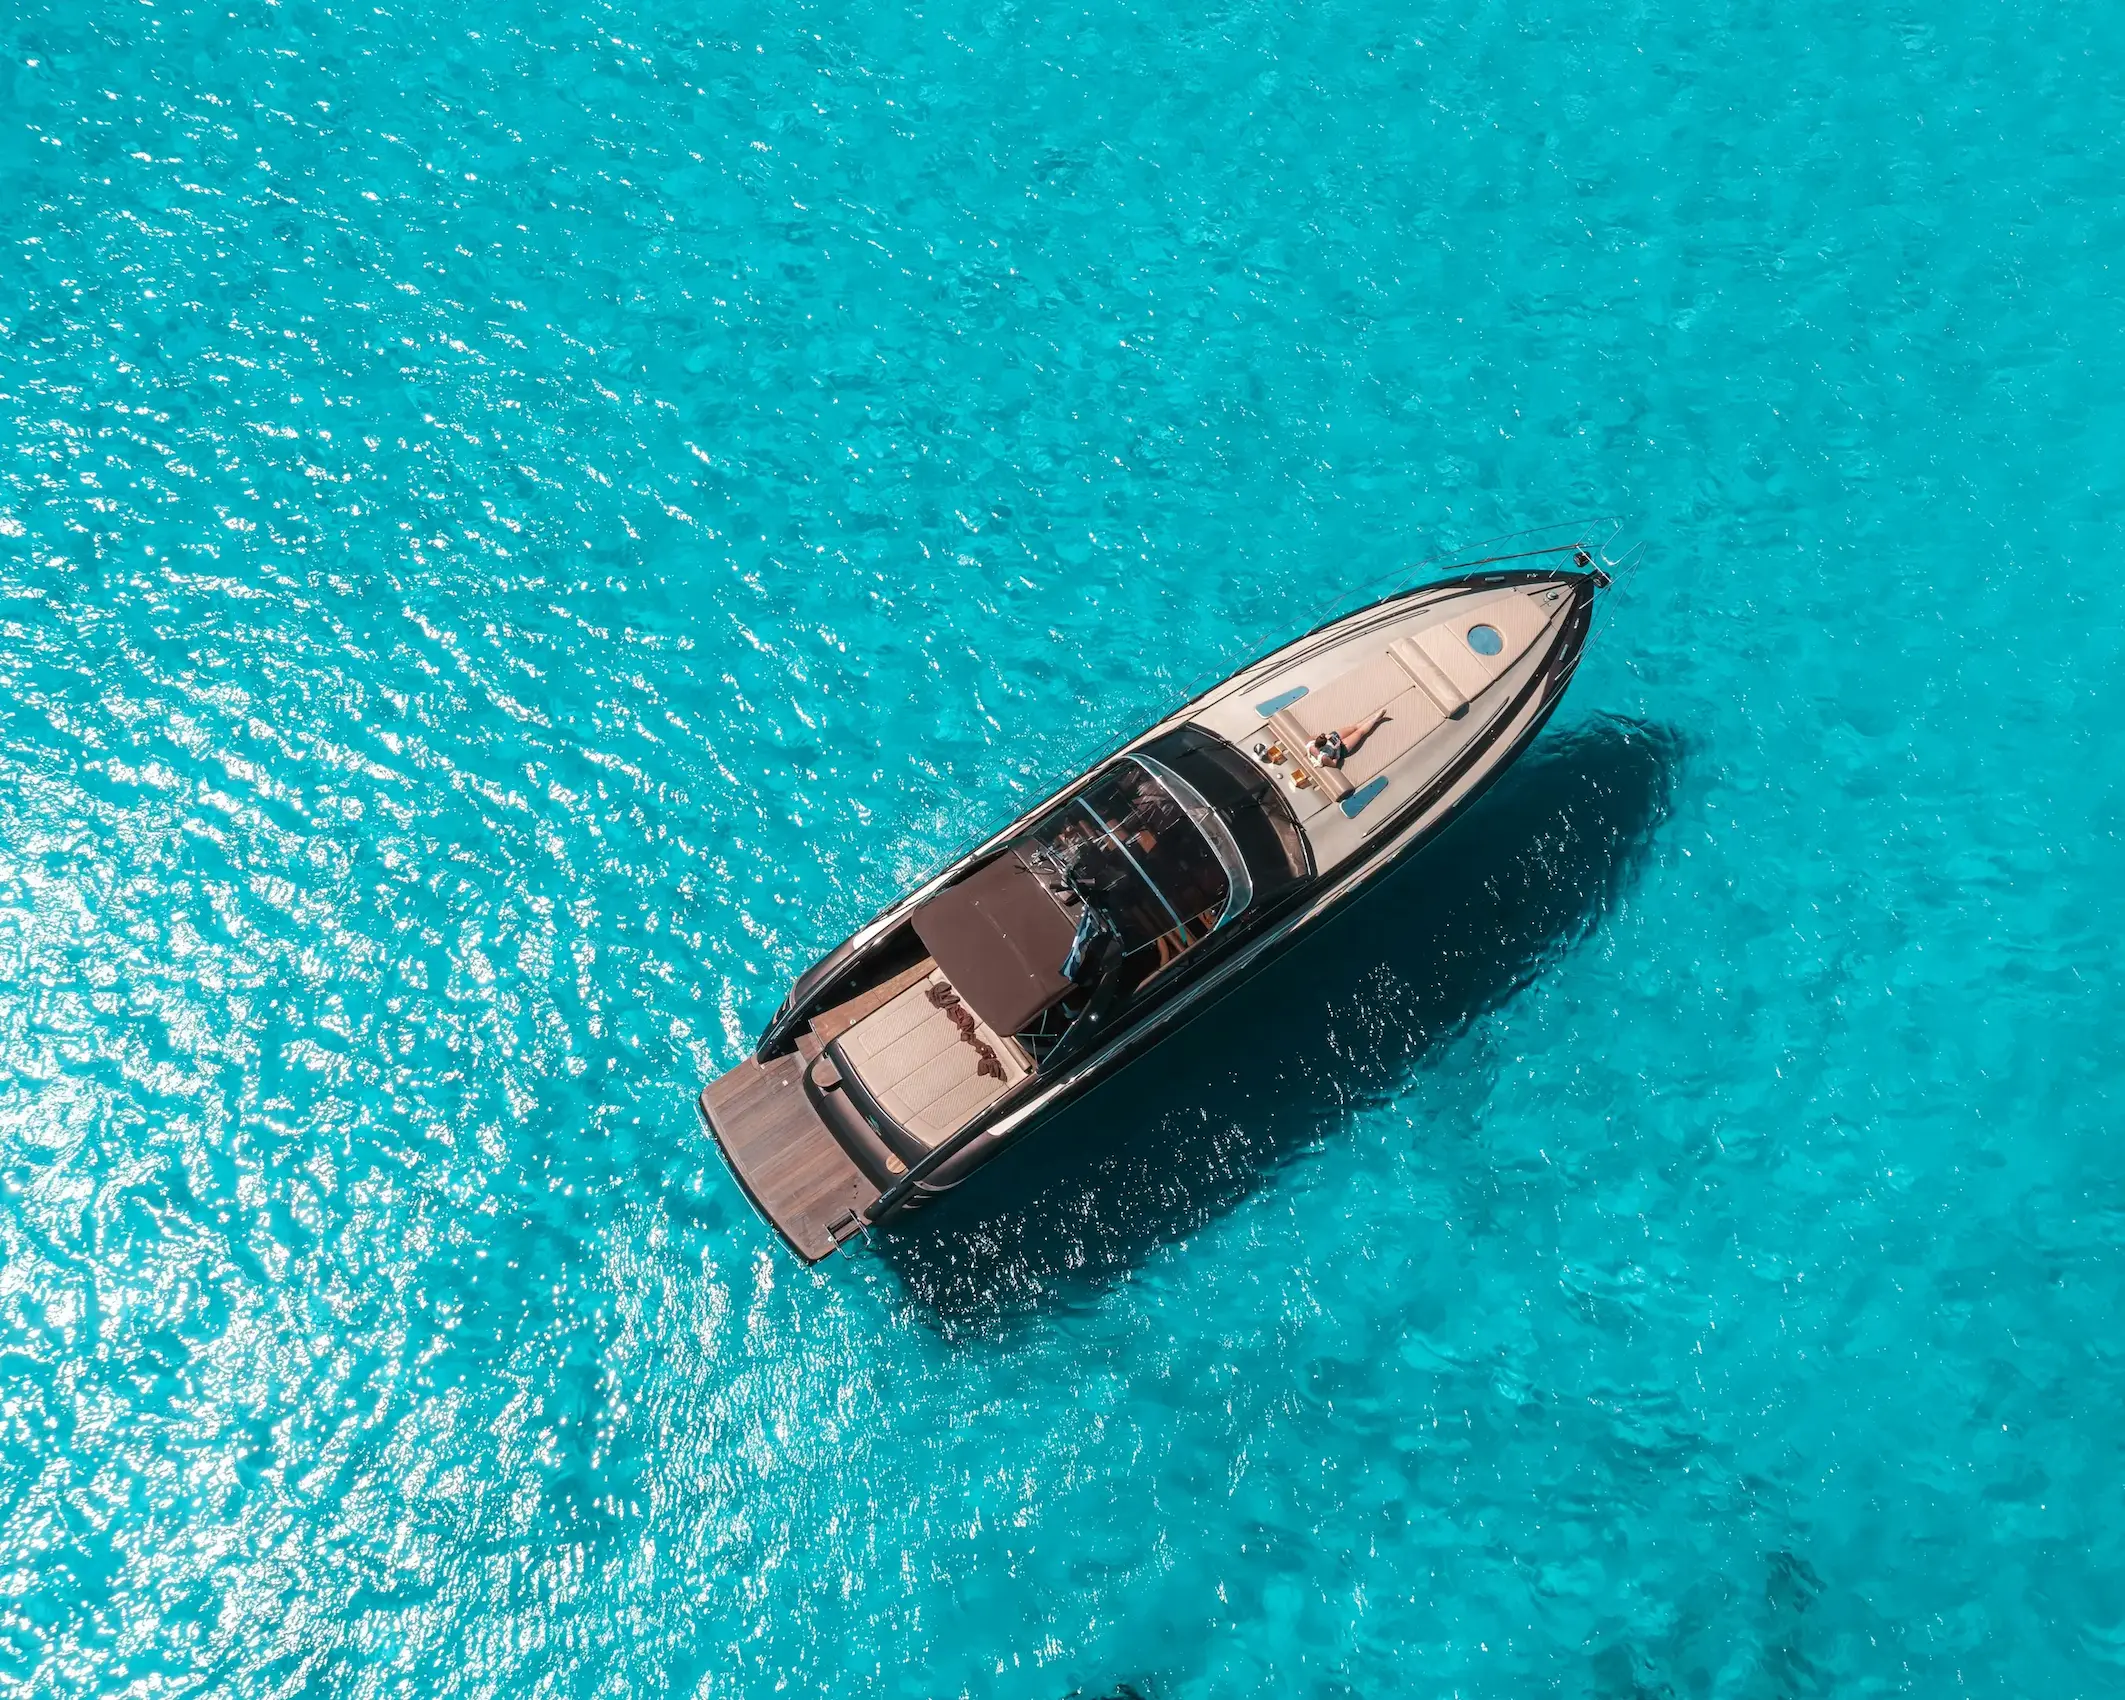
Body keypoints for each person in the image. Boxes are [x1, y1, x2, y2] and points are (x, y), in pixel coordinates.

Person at [1308, 709, 1389, 769]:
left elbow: (1312, 737)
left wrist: (1326, 736)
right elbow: (1334, 764)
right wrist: (1336, 748)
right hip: (1341, 749)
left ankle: (1373, 720)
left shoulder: (1311, 745)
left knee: (1354, 728)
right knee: (1359, 732)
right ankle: (1375, 719)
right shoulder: (1324, 758)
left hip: (1334, 737)